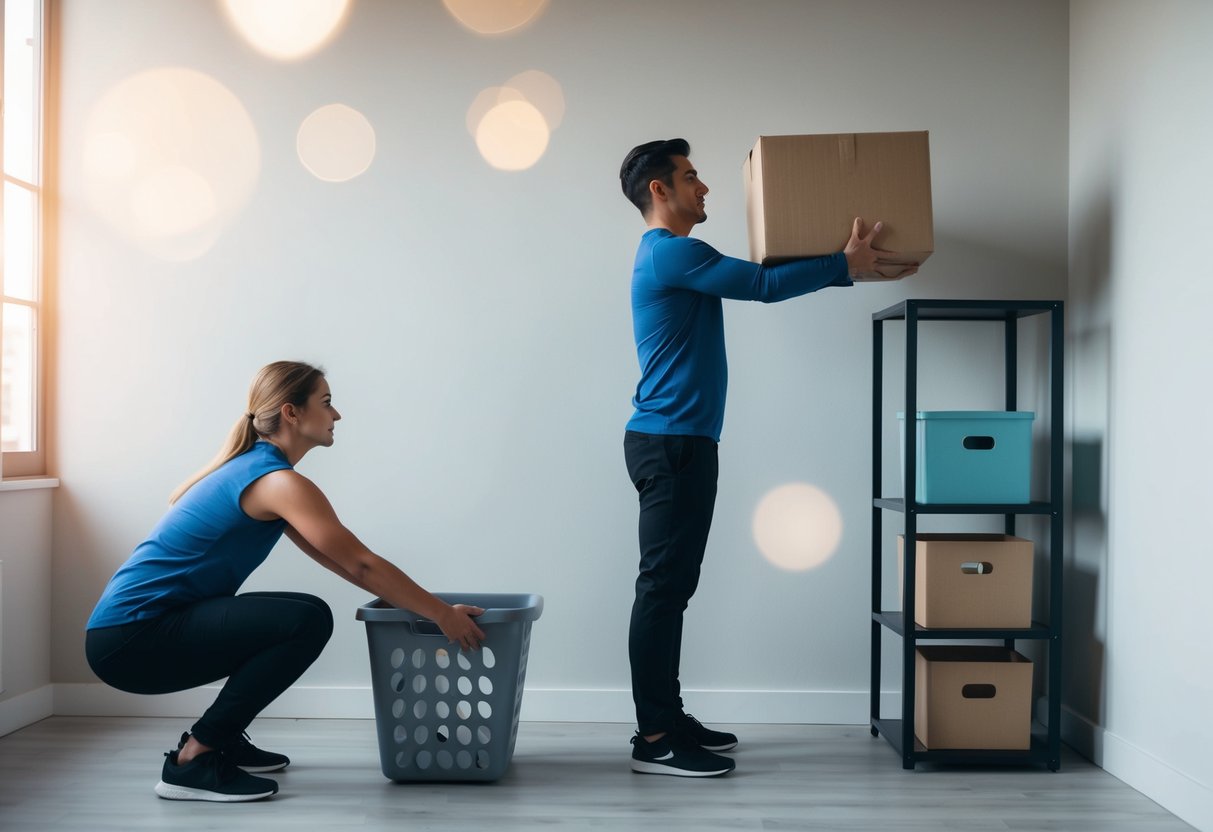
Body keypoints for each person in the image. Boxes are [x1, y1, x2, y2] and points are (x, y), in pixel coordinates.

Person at [618, 138, 916, 778]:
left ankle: (668, 714)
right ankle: (655, 738)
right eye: (692, 178)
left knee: (674, 589)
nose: (705, 189)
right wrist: (844, 263)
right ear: (659, 190)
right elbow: (758, 284)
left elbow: (756, 281)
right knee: (663, 590)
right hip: (671, 443)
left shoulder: (672, 256)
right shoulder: (672, 253)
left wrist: (843, 262)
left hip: (680, 441)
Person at [84, 361, 485, 802]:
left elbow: (337, 560)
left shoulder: (262, 471)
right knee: (304, 621)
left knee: (307, 612)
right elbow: (361, 565)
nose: (337, 415)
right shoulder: (276, 481)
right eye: (327, 403)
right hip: (131, 638)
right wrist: (441, 615)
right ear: (292, 412)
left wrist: (422, 609)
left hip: (134, 634)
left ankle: (225, 735)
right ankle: (195, 759)